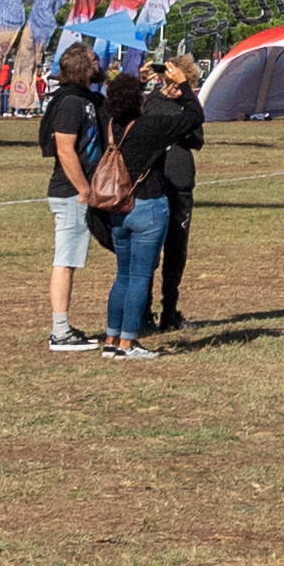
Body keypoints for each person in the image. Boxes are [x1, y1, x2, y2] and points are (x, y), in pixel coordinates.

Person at [92, 70, 176, 358]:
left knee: (123, 276)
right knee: (140, 276)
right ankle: (128, 342)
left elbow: (119, 98)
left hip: (117, 207)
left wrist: (134, 81)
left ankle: (112, 339)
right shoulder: (149, 127)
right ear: (139, 100)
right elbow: (193, 117)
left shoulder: (110, 124)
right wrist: (185, 89)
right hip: (147, 204)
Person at [40, 53, 111, 352]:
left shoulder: (88, 99)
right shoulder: (69, 102)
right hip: (71, 191)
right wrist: (83, 189)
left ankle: (63, 328)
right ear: (82, 67)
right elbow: (65, 150)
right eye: (94, 61)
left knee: (71, 259)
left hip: (82, 190)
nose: (99, 64)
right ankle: (59, 332)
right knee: (65, 260)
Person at [142, 63, 209, 332]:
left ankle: (169, 310)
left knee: (176, 251)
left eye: (179, 84)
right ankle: (143, 311)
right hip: (153, 185)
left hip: (180, 184)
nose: (173, 89)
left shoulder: (188, 105)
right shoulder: (150, 104)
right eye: (168, 83)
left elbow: (197, 137)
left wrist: (186, 97)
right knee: (148, 252)